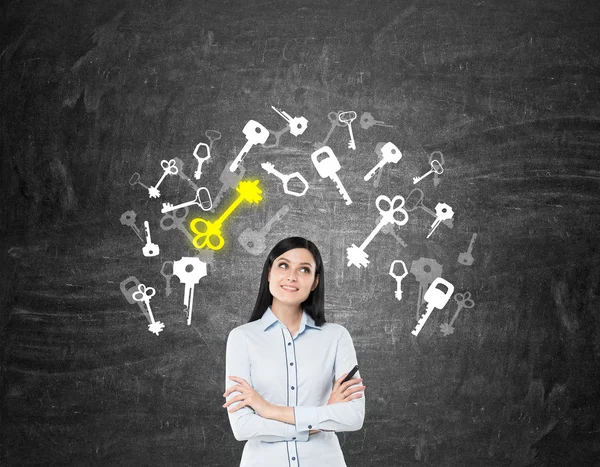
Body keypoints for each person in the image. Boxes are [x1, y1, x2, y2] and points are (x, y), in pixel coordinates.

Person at [223, 236, 365, 467]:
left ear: (315, 281)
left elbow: (353, 417)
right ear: (269, 272)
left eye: (304, 270)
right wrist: (321, 418)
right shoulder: (242, 338)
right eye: (283, 265)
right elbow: (243, 427)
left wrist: (268, 409)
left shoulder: (336, 337)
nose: (292, 276)